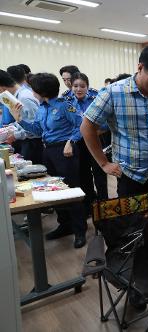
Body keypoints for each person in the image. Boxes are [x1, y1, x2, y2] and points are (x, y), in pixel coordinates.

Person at [81, 44, 148, 219]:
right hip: (132, 175)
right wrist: (104, 163)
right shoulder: (113, 92)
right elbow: (87, 127)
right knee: (134, 227)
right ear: (140, 67)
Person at [18, 73, 87, 248]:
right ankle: (64, 225)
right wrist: (19, 119)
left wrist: (71, 141)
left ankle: (80, 230)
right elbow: (38, 129)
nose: (32, 93)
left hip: (65, 151)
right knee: (54, 190)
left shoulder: (66, 106)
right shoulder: (42, 107)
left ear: (42, 91)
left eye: (34, 90)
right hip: (48, 151)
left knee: (71, 190)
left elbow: (81, 125)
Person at [70, 72, 109, 204]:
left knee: (100, 174)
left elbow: (105, 124)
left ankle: (104, 204)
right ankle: (88, 203)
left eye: (82, 86)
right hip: (79, 143)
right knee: (84, 175)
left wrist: (90, 132)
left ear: (87, 87)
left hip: (96, 141)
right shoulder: (68, 103)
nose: (78, 89)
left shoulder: (95, 100)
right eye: (75, 86)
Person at [0, 69, 43, 164]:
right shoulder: (18, 95)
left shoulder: (24, 98)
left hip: (33, 145)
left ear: (1, 87)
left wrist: (15, 135)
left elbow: (36, 129)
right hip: (28, 143)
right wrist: (12, 127)